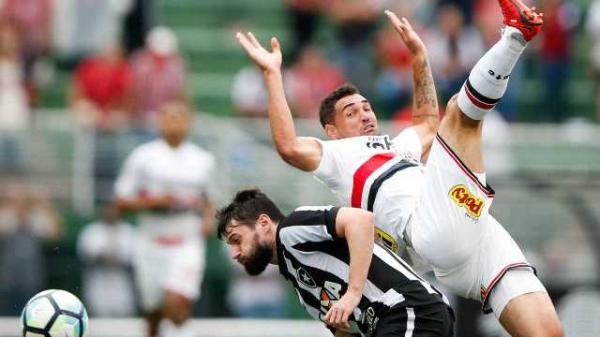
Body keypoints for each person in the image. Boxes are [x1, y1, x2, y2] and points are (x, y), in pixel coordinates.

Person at [235, 1, 564, 336]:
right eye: (351, 112)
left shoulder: (395, 145)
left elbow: (425, 122)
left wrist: (420, 59)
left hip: (474, 234)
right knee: (461, 116)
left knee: (547, 333)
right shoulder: (337, 156)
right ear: (331, 131)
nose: (365, 114)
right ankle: (515, 36)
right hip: (430, 228)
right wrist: (273, 75)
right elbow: (289, 146)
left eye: (366, 107)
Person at [217, 188, 454, 337]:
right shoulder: (302, 290)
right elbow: (344, 332)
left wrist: (353, 293)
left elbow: (361, 220)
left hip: (408, 308)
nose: (235, 254)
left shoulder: (291, 229)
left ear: (264, 223)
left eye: (237, 240)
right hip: (405, 319)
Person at [113, 100, 216, 337]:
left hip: (186, 240)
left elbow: (210, 199)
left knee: (177, 301)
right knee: (154, 311)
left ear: (189, 123)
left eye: (179, 118)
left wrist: (209, 220)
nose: (174, 123)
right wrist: (152, 202)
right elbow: (120, 200)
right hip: (151, 240)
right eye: (168, 118)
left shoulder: (202, 160)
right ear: (158, 122)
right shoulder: (143, 157)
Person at [77, 204, 136, 317]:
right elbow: (86, 254)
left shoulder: (129, 231)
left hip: (121, 283)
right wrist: (103, 257)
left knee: (123, 317)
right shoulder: (91, 230)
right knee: (97, 315)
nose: (111, 212)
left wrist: (115, 257)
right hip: (98, 282)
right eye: (108, 208)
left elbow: (132, 257)